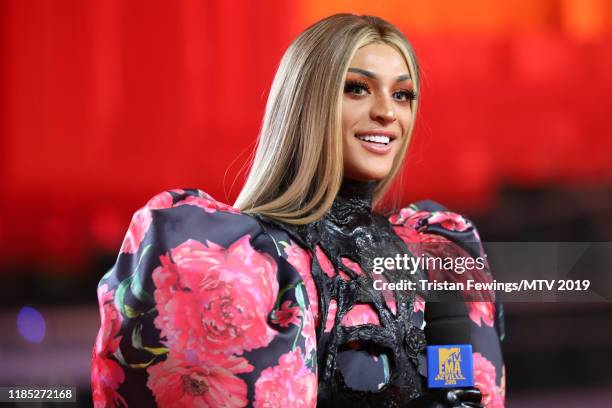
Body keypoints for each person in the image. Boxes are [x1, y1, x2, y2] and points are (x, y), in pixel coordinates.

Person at [92, 14, 505, 407]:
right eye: (358, 88)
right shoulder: (234, 264)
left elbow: (457, 379)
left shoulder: (435, 253)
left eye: (402, 94)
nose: (387, 112)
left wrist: (448, 392)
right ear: (308, 101)